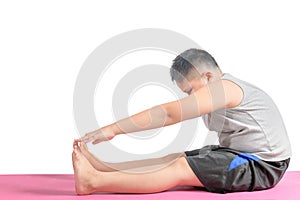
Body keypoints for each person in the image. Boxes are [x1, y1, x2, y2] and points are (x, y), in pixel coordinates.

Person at [72, 48, 291, 195]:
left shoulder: (224, 88)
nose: (190, 98)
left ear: (207, 76)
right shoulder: (217, 90)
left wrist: (113, 129)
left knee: (179, 168)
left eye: (190, 91)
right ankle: (104, 168)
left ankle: (93, 182)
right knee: (175, 158)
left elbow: (169, 114)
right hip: (236, 153)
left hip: (262, 166)